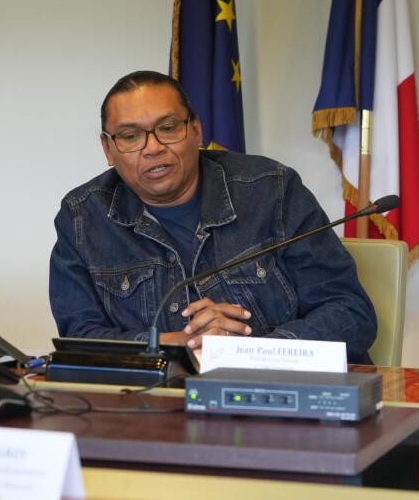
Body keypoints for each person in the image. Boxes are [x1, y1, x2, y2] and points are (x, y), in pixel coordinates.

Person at [49, 70, 378, 363]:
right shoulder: (82, 217)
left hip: (284, 394)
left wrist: (253, 352)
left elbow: (350, 313)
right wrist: (173, 346)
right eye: (130, 136)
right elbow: (80, 338)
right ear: (108, 149)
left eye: (168, 128)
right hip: (157, 402)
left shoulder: (272, 190)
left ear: (196, 129)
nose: (153, 147)